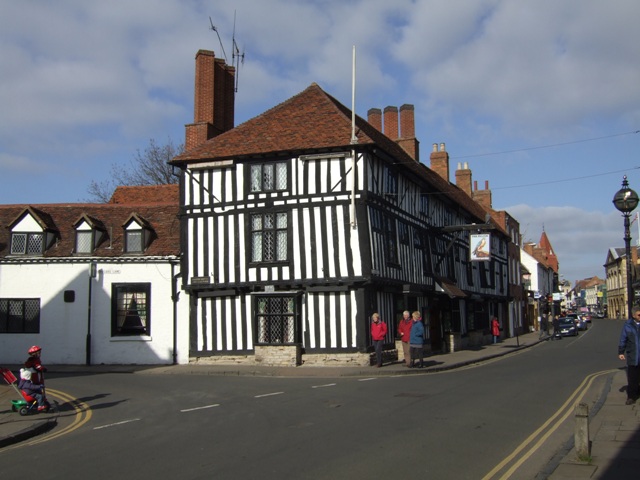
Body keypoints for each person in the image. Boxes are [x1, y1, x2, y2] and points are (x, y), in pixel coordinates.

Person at [618, 306, 640, 405]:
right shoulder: (628, 325)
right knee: (632, 378)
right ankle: (631, 397)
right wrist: (621, 352)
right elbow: (623, 339)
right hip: (633, 356)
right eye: (639, 315)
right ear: (633, 315)